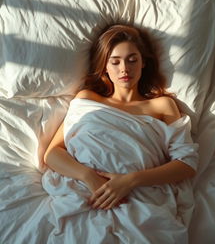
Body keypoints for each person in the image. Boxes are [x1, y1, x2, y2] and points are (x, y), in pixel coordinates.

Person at [43, 24, 197, 212]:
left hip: (140, 198)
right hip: (86, 193)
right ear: (105, 66)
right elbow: (53, 153)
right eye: (115, 62)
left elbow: (186, 164)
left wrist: (130, 180)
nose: (124, 69)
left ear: (143, 62)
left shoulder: (162, 105)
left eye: (132, 60)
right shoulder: (87, 99)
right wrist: (90, 178)